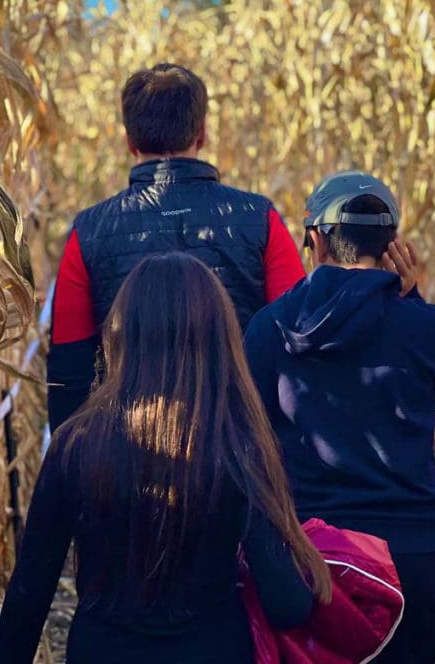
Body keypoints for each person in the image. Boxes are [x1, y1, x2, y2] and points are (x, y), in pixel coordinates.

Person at [0, 253, 331, 664]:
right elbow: (287, 605)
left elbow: (29, 592)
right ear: (217, 341)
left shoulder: (76, 444)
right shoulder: (236, 445)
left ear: (121, 335)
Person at [243, 171, 435, 664]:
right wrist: (412, 302)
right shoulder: (429, 327)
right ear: (393, 244)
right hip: (416, 563)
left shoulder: (269, 330)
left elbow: (249, 439)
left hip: (317, 564)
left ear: (314, 239)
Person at [46, 63, 305, 431]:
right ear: (201, 134)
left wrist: (69, 463)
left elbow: (69, 370)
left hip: (127, 454)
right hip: (242, 449)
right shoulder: (261, 220)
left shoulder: (89, 232)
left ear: (129, 141)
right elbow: (294, 339)